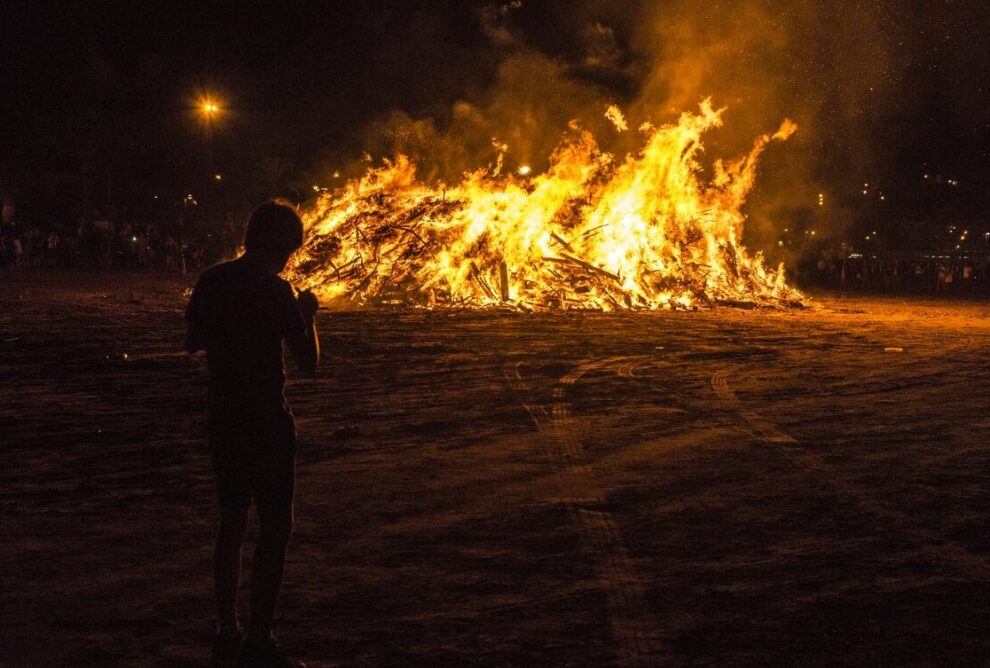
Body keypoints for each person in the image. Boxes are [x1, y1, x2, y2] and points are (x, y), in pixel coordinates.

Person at [185, 200, 319, 668]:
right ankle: (260, 634)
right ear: (275, 242)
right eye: (288, 249)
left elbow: (192, 342)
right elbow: (309, 363)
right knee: (275, 527)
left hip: (224, 416)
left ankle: (227, 627)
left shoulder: (212, 281)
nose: (289, 259)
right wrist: (309, 314)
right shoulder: (278, 291)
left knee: (232, 523)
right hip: (267, 418)